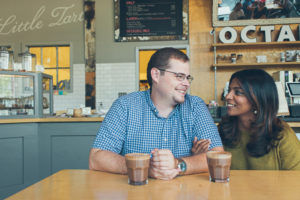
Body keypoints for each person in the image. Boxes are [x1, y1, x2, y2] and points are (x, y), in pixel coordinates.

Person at [89, 47, 223, 180]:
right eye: (179, 76)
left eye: (188, 78)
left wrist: (179, 164)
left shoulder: (195, 106)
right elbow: (97, 158)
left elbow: (217, 155)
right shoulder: (125, 106)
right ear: (156, 75)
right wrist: (145, 167)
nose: (187, 84)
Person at [192, 69, 300, 170]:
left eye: (238, 92)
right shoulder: (223, 129)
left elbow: (295, 180)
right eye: (229, 90)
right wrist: (198, 158)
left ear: (258, 98)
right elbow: (214, 173)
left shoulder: (281, 134)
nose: (228, 96)